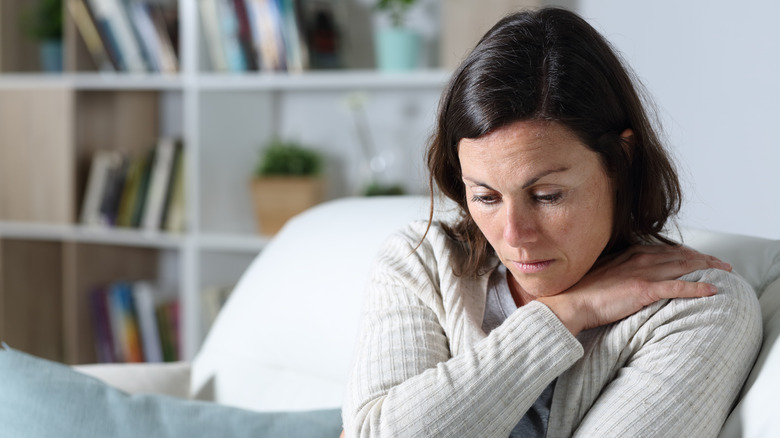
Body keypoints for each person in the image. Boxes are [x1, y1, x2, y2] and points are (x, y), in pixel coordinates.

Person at [341, 7, 762, 438]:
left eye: (547, 196)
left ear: (621, 160)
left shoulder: (697, 302)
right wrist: (563, 314)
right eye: (485, 197)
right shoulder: (421, 262)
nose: (514, 235)